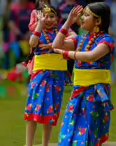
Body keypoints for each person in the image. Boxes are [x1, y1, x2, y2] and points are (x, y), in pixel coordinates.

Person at [52, 3, 115, 146]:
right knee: (70, 126)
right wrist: (68, 22)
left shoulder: (106, 40)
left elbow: (91, 56)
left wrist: (67, 54)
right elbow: (56, 45)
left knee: (89, 129)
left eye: (86, 15)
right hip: (78, 91)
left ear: (98, 21)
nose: (82, 18)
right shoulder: (81, 40)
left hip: (94, 92)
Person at [24, 5, 76, 146]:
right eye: (45, 16)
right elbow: (32, 43)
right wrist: (39, 25)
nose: (48, 19)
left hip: (57, 76)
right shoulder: (38, 31)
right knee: (34, 109)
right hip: (40, 75)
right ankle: (29, 144)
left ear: (57, 19)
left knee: (51, 111)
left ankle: (45, 144)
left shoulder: (61, 31)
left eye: (51, 16)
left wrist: (54, 45)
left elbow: (75, 39)